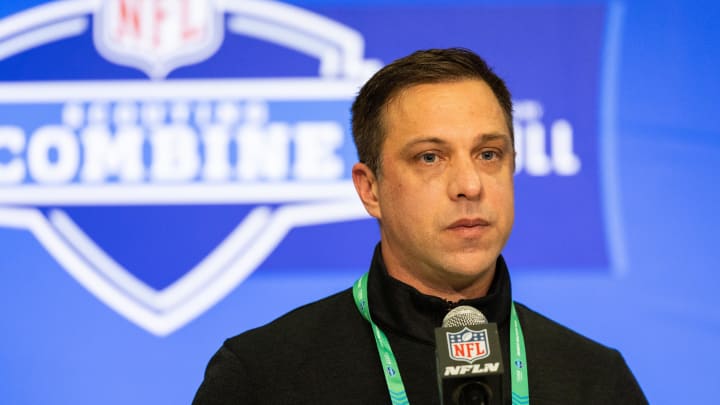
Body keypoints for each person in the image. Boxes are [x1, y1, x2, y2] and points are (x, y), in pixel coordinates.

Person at [192, 48, 647, 405]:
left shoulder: (596, 379)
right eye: (430, 157)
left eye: (488, 154)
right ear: (370, 190)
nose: (469, 184)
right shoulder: (262, 375)